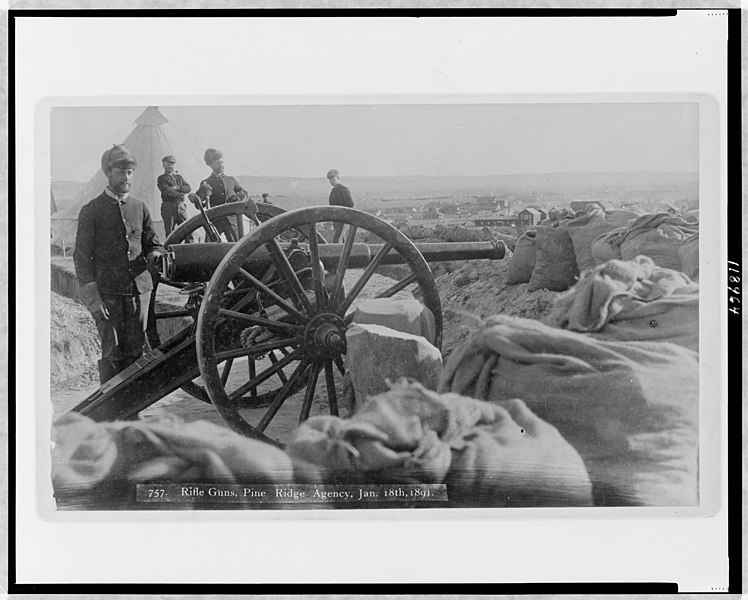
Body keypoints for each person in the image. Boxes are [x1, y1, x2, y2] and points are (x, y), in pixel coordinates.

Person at [74, 144, 163, 384]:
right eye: (121, 171)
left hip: (139, 292)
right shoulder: (91, 211)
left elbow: (154, 244)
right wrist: (93, 298)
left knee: (136, 351)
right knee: (112, 352)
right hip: (108, 294)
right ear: (108, 172)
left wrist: (155, 255)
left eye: (130, 172)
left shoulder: (139, 207)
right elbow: (81, 259)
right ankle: (110, 414)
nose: (126, 177)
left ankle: (133, 412)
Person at [195, 148, 249, 241]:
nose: (221, 165)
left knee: (237, 246)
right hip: (215, 221)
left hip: (232, 220)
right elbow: (198, 204)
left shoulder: (231, 180)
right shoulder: (206, 182)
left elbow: (245, 194)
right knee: (210, 247)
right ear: (211, 164)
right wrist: (203, 194)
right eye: (218, 163)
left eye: (222, 162)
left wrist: (239, 198)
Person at [156, 155, 192, 240]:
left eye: (172, 164)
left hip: (181, 206)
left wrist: (177, 188)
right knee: (170, 232)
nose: (170, 166)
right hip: (169, 206)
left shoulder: (179, 177)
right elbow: (167, 192)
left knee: (187, 229)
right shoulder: (162, 178)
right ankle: (171, 250)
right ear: (164, 165)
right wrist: (181, 193)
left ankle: (190, 249)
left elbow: (188, 188)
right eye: (168, 164)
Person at [326, 169, 354, 243]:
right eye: (330, 179)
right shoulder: (333, 191)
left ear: (337, 178)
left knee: (337, 240)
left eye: (333, 179)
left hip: (343, 219)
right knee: (341, 240)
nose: (331, 181)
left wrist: (344, 215)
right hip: (337, 220)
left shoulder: (344, 190)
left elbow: (350, 204)